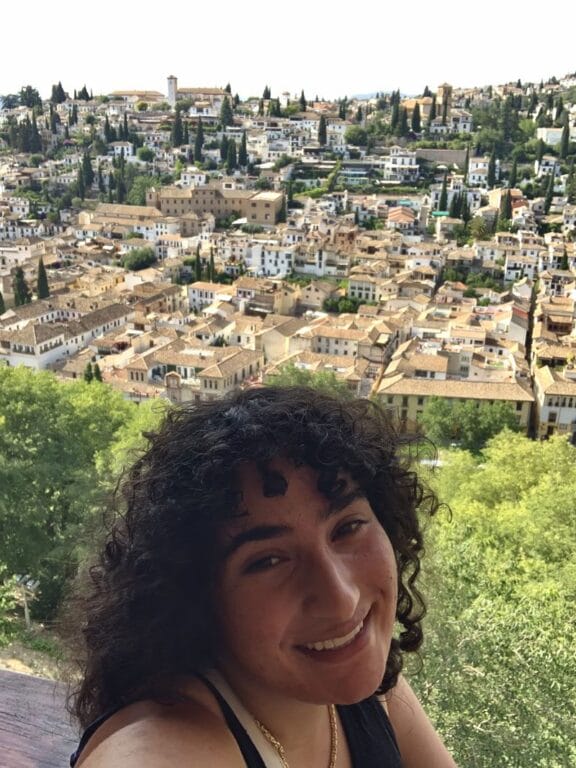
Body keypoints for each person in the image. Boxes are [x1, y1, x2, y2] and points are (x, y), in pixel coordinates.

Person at [69, 386, 457, 767]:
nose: (342, 600)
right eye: (269, 561)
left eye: (348, 527)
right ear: (196, 596)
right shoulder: (166, 741)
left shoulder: (359, 667)